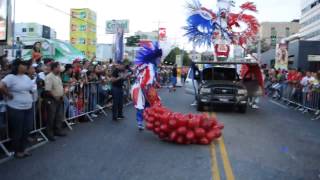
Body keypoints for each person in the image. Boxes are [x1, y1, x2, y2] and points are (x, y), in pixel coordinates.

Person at [0, 59, 34, 158]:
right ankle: (17, 151)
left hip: (28, 106)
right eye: (23, 65)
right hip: (15, 108)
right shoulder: (10, 77)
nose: (25, 67)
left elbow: (30, 89)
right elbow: (1, 86)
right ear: (17, 66)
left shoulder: (26, 77)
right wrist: (8, 94)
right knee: (17, 130)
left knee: (26, 129)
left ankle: (23, 149)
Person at [44, 62, 67, 141]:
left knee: (58, 116)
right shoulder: (49, 77)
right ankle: (49, 133)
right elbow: (47, 90)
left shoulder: (57, 76)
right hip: (52, 99)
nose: (59, 68)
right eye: (58, 67)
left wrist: (61, 95)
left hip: (59, 98)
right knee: (51, 117)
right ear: (54, 68)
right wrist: (55, 97)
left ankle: (58, 130)